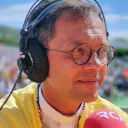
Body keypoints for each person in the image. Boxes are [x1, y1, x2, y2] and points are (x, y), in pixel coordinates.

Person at [0, 0, 128, 128]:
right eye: (78, 51)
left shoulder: (121, 121)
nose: (96, 64)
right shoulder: (5, 118)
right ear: (37, 58)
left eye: (103, 50)